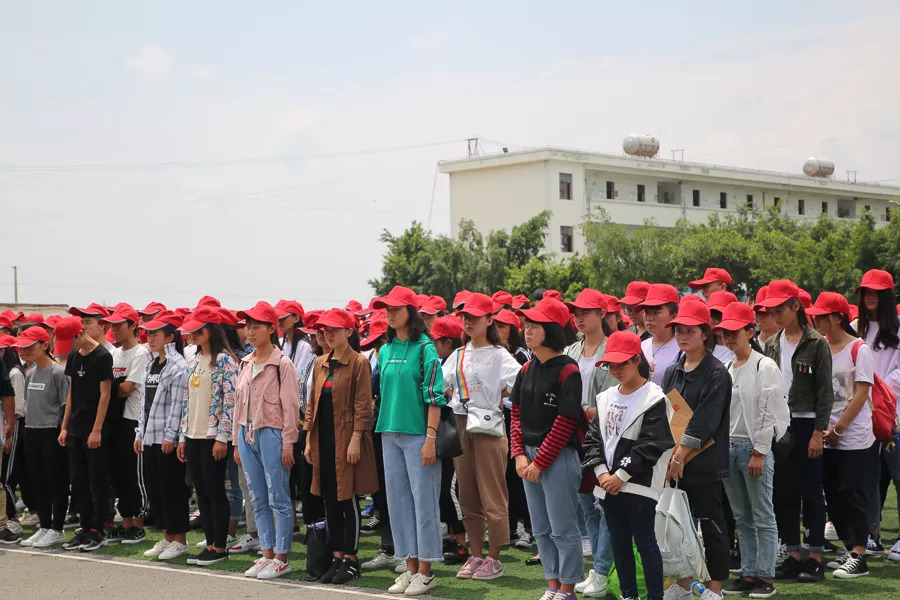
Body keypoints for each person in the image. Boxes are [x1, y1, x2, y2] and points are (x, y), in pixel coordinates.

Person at [584, 331, 676, 600]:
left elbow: (652, 444)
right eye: (610, 365)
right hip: (608, 485)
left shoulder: (654, 398)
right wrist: (602, 473)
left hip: (639, 485)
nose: (615, 370)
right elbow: (593, 439)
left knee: (645, 541)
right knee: (619, 541)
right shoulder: (605, 397)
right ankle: (628, 595)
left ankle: (655, 596)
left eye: (621, 363)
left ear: (637, 360)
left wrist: (620, 475)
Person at [510, 298, 586, 600]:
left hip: (558, 457)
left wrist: (539, 461)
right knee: (540, 527)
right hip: (529, 458)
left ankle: (567, 589)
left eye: (535, 325)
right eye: (526, 325)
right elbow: (516, 414)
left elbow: (566, 421)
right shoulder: (526, 369)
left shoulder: (568, 370)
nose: (527, 330)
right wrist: (518, 454)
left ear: (552, 329)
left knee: (563, 527)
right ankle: (552, 585)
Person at [759, 280, 834, 583]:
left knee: (811, 491)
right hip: (781, 424)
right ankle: (792, 553)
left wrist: (818, 431)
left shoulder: (816, 343)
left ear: (795, 307)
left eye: (780, 309)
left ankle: (815, 556)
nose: (775, 315)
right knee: (784, 491)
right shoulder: (772, 343)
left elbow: (825, 392)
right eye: (772, 310)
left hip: (807, 422)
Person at [373, 286, 445, 597]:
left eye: (396, 309)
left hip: (418, 436)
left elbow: (435, 398)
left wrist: (430, 438)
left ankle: (426, 572)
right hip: (389, 434)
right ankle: (411, 568)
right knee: (398, 504)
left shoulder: (426, 349)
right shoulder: (385, 351)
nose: (390, 314)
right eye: (386, 309)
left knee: (423, 503)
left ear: (410, 312)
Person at [442, 293, 520, 582]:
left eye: (475, 317)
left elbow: (520, 381)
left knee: (492, 493)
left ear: (489, 320)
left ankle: (494, 558)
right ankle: (476, 555)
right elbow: (440, 382)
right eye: (465, 317)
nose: (468, 322)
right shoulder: (459, 354)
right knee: (467, 493)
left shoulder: (499, 355)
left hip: (489, 426)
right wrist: (456, 396)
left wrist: (498, 397)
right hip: (462, 423)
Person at [660, 300, 731, 600]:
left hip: (705, 463)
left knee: (711, 524)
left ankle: (715, 588)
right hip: (675, 462)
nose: (683, 335)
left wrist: (680, 456)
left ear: (705, 333)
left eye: (690, 330)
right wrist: (670, 457)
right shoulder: (672, 371)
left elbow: (705, 421)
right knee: (677, 525)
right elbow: (667, 416)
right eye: (679, 330)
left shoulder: (717, 372)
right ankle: (685, 583)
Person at [715, 303, 788, 598]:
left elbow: (771, 410)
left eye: (735, 331)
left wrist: (760, 451)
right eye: (725, 332)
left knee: (762, 515)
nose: (729, 337)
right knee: (741, 516)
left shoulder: (764, 366)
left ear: (749, 332)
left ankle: (765, 576)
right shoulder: (726, 368)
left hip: (752, 447)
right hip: (729, 446)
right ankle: (748, 573)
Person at [305, 308, 377, 585]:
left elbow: (363, 405)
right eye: (326, 329)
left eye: (335, 329)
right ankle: (336, 556)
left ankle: (351, 559)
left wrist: (356, 438)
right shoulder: (320, 362)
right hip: (323, 439)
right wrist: (308, 440)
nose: (328, 333)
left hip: (346, 439)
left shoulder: (359, 362)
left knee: (348, 499)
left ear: (349, 331)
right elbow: (312, 405)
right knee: (329, 499)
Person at [807, 292, 877, 579]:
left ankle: (860, 554)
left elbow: (862, 394)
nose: (817, 320)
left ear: (838, 318)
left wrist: (839, 428)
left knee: (854, 494)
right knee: (833, 495)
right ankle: (850, 549)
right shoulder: (820, 346)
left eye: (822, 316)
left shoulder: (859, 349)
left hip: (854, 436)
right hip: (825, 434)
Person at [233, 301, 301, 581]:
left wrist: (288, 442)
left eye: (256, 326)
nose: (250, 331)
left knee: (278, 498)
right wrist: (236, 442)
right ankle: (267, 552)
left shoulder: (282, 364)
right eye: (248, 326)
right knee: (257, 498)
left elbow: (292, 407)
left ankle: (282, 557)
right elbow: (237, 404)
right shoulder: (246, 362)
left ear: (272, 329)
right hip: (246, 433)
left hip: (272, 434)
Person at [564, 289, 616, 597]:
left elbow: (610, 401)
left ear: (602, 314)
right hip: (574, 436)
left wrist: (579, 410)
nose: (579, 317)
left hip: (604, 437)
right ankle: (598, 568)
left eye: (586, 312)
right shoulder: (571, 349)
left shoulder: (612, 348)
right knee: (587, 507)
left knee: (604, 505)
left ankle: (602, 570)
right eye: (576, 312)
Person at [177, 306, 238, 566]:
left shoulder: (225, 360)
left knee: (215, 491)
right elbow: (187, 400)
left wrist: (223, 437)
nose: (192, 335)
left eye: (197, 330)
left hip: (213, 436)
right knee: (201, 492)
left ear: (211, 330)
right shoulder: (193, 359)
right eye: (190, 331)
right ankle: (210, 543)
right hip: (193, 434)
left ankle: (220, 546)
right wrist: (183, 437)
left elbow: (230, 401)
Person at [135, 311, 191, 560]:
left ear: (170, 337)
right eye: (148, 333)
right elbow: (144, 403)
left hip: (166, 438)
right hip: (149, 436)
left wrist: (171, 436)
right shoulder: (150, 364)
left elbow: (178, 404)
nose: (150, 337)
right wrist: (139, 432)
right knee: (155, 488)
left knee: (172, 489)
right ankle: (167, 536)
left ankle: (180, 540)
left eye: (155, 334)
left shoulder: (178, 366)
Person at [56, 315, 113, 552]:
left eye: (70, 342)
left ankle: (99, 528)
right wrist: (64, 426)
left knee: (96, 480)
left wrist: (97, 429)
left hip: (94, 428)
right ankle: (85, 526)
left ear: (79, 334)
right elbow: (71, 393)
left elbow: (105, 395)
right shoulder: (73, 356)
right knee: (78, 480)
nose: (68, 348)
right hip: (75, 427)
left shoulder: (102, 356)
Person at [854, 269, 900, 557]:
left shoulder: (898, 329)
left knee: (898, 475)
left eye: (876, 292)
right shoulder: (854, 328)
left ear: (887, 296)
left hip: (894, 413)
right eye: (866, 292)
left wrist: (876, 388)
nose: (870, 297)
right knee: (867, 477)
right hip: (862, 414)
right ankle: (871, 534)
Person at [15, 327, 70, 548]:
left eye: (30, 346)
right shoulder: (30, 373)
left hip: (51, 431)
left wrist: (63, 430)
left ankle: (57, 529)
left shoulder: (58, 372)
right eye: (23, 347)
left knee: (55, 481)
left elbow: (66, 405)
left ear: (45, 345)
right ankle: (45, 526)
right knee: (37, 481)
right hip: (31, 430)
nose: (25, 351)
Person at [102, 306, 152, 544]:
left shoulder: (141, 354)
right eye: (112, 325)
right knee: (117, 472)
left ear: (133, 326)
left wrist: (111, 386)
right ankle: (126, 522)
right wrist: (115, 385)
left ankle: (138, 523)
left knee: (134, 474)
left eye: (119, 325)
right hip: (115, 419)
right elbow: (113, 386)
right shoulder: (114, 354)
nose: (114, 329)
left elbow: (127, 388)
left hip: (133, 419)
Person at [428, 315, 469, 566]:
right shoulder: (441, 360)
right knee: (442, 489)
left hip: (458, 429)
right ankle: (453, 537)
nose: (433, 345)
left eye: (437, 340)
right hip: (441, 429)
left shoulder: (460, 359)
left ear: (448, 342)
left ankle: (462, 542)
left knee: (451, 490)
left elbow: (460, 393)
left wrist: (446, 391)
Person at [639, 284, 681, 386]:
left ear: (674, 316)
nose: (650, 318)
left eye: (656, 313)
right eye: (647, 312)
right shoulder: (640, 346)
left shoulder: (682, 349)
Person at [706, 291, 738, 365]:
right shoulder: (701, 348)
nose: (717, 321)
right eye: (713, 316)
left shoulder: (746, 348)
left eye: (722, 315)